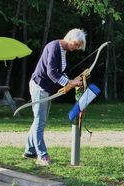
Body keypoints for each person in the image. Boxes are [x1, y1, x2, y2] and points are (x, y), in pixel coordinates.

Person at [22, 28, 86, 166]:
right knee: (40, 121)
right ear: (69, 38)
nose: (75, 48)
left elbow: (60, 72)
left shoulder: (62, 50)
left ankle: (29, 150)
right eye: (75, 44)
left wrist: (72, 83)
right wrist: (70, 82)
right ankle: (42, 155)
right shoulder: (53, 47)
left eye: (77, 46)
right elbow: (51, 72)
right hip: (39, 86)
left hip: (46, 88)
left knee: (39, 120)